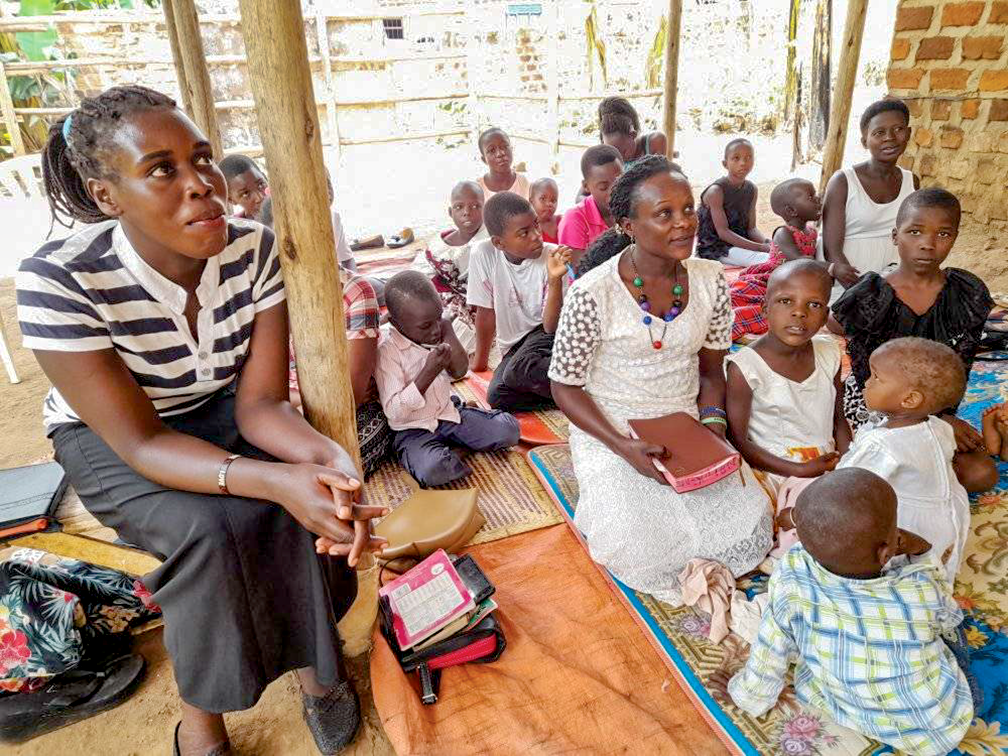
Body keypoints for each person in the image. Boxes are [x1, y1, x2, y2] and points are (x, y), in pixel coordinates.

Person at [18, 86, 385, 755]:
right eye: (162, 169)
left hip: (220, 408)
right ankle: (202, 725)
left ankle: (316, 674)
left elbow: (262, 405)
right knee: (210, 531)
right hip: (112, 436)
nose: (202, 186)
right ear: (106, 196)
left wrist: (328, 464)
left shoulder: (254, 249)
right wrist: (274, 481)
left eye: (203, 159)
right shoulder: (60, 280)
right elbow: (141, 440)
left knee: (296, 497)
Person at [548, 155, 772, 603]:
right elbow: (565, 387)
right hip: (612, 425)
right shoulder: (591, 293)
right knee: (639, 543)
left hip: (684, 419)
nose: (684, 224)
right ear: (627, 225)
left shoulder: (711, 281)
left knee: (749, 520)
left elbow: (711, 371)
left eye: (688, 209)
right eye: (664, 214)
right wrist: (622, 446)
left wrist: (712, 429)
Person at [709, 469, 974, 756]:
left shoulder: (792, 572)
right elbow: (947, 616)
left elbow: (770, 650)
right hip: (930, 730)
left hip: (840, 703)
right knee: (953, 627)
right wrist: (922, 552)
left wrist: (746, 696)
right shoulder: (918, 589)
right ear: (887, 553)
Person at [832, 188, 996, 492]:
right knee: (884, 471)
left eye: (943, 234)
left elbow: (963, 362)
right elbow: (837, 325)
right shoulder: (871, 294)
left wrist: (944, 415)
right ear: (896, 236)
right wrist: (936, 422)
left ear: (955, 237)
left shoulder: (964, 292)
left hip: (936, 403)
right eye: (915, 232)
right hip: (877, 404)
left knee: (981, 474)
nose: (927, 244)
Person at [259, 197, 393, 479]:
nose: (300, 249)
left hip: (346, 416)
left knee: (338, 465)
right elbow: (253, 396)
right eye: (289, 241)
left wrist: (282, 398)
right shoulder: (264, 294)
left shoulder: (355, 292)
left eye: (313, 235)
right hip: (280, 416)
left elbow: (352, 396)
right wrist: (283, 403)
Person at [835, 338, 970, 583]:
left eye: (876, 377)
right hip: (946, 520)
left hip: (910, 530)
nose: (866, 382)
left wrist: (795, 516)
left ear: (909, 400)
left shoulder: (883, 445)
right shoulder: (939, 427)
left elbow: (846, 487)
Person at [376, 272, 520, 487]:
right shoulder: (387, 351)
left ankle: (453, 448)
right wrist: (428, 372)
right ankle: (455, 450)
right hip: (412, 429)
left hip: (448, 413)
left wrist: (447, 328)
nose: (435, 330)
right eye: (426, 326)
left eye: (438, 318)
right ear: (395, 322)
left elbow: (460, 371)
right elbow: (394, 412)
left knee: (508, 430)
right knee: (434, 471)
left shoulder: (437, 328)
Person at [726, 260, 849, 494]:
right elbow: (739, 441)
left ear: (825, 316)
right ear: (765, 308)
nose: (799, 313)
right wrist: (799, 470)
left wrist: (846, 463)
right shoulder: (746, 367)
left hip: (829, 466)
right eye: (785, 301)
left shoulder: (829, 352)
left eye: (813, 304)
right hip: (776, 472)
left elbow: (838, 420)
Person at [468, 192, 572, 411]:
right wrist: (479, 362)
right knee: (498, 396)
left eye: (536, 225)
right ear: (499, 242)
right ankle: (577, 393)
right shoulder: (483, 254)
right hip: (516, 346)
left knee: (518, 371)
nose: (536, 235)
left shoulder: (552, 256)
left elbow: (551, 327)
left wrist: (554, 280)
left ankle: (587, 383)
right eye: (524, 232)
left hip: (546, 333)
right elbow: (485, 312)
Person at [820, 98, 919, 303]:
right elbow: (831, 248)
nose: (890, 138)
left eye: (898, 129)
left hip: (893, 274)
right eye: (879, 133)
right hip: (846, 276)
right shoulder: (843, 181)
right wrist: (858, 288)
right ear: (865, 141)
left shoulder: (912, 182)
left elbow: (914, 235)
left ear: (908, 134)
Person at [730, 178, 821, 341]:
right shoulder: (783, 233)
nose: (818, 199)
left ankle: (752, 332)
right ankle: (732, 327)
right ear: (792, 210)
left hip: (795, 283)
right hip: (774, 279)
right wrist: (831, 268)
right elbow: (800, 261)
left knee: (787, 314)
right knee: (749, 302)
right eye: (810, 197)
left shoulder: (812, 231)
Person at [411, 180, 487, 353]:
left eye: (475, 206)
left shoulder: (493, 239)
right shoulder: (439, 247)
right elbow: (423, 276)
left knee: (460, 338)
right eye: (459, 207)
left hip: (487, 307)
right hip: (450, 304)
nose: (467, 213)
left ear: (485, 209)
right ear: (450, 212)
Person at [695, 138, 770, 267]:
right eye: (736, 158)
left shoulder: (751, 189)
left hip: (741, 243)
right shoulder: (716, 191)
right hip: (717, 248)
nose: (743, 163)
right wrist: (761, 247)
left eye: (748, 157)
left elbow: (751, 229)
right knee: (767, 260)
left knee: (778, 253)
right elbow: (723, 232)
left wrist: (769, 243)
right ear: (725, 164)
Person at [558, 145, 623, 256]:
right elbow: (579, 270)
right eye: (603, 187)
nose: (614, 192)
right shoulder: (575, 218)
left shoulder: (632, 208)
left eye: (619, 182)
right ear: (586, 186)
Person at [597, 96, 668, 170]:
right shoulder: (607, 155)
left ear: (633, 134)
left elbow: (659, 177)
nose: (620, 158)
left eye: (624, 151)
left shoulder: (655, 142)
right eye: (614, 153)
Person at [477, 127, 530, 202]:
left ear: (512, 149)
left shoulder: (523, 183)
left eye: (505, 146)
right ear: (484, 159)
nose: (500, 153)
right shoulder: (478, 189)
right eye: (492, 150)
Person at [219, 153, 268, 220]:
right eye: (245, 193)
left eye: (261, 184)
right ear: (231, 200)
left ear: (265, 177)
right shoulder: (236, 228)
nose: (260, 197)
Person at [529, 177, 560, 244]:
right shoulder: (529, 228)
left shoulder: (562, 222)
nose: (549, 204)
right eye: (543, 199)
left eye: (553, 200)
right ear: (531, 201)